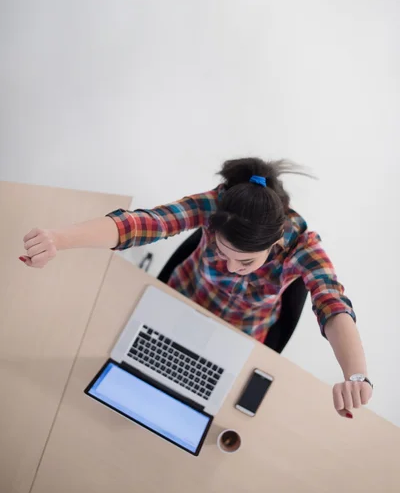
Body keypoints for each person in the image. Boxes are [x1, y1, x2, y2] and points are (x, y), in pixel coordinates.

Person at [20, 157, 373, 417]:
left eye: (246, 262)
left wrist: (356, 375)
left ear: (276, 239)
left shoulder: (303, 245)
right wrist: (59, 239)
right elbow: (145, 224)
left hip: (238, 334)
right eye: (222, 252)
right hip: (180, 300)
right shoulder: (216, 205)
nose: (233, 269)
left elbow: (332, 304)